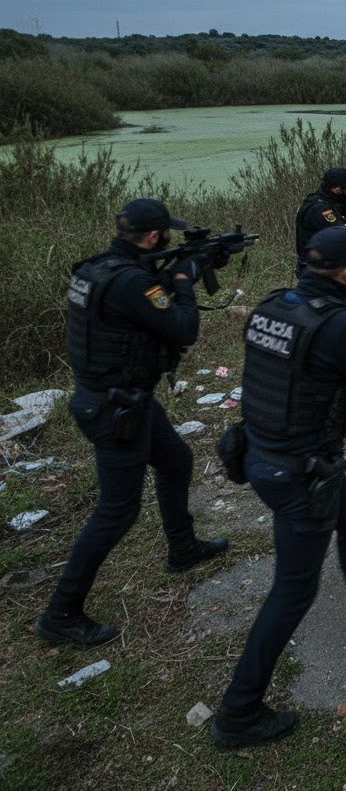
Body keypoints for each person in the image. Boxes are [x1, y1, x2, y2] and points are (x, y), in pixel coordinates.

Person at [211, 226, 346, 748]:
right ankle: (238, 713)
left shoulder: (274, 307)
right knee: (294, 589)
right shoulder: (340, 326)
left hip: (266, 455)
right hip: (299, 472)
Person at [36, 198, 229, 648]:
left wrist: (182, 271)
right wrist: (183, 278)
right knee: (117, 512)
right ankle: (60, 613)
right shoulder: (129, 280)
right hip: (114, 409)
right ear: (152, 237)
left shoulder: (99, 268)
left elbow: (135, 307)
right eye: (166, 235)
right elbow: (182, 328)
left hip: (122, 400)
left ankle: (182, 548)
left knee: (177, 460)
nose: (169, 240)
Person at [294, 166, 346, 272]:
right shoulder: (319, 209)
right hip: (315, 270)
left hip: (323, 265)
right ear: (336, 189)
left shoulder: (323, 201)